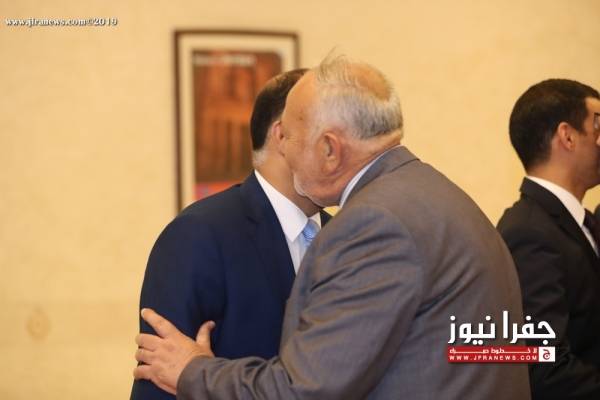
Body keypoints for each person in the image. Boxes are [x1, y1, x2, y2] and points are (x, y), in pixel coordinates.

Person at [133, 55, 530, 399]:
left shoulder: (373, 224)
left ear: (329, 148)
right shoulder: (435, 196)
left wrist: (193, 371)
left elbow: (304, 388)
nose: (285, 151)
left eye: (291, 137)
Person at [130, 68, 331, 399]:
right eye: (329, 133)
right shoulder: (198, 235)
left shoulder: (349, 234)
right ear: (282, 136)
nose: (342, 148)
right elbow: (159, 383)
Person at [497, 79, 600, 399]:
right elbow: (545, 368)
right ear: (567, 136)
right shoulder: (528, 232)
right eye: (598, 127)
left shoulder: (583, 222)